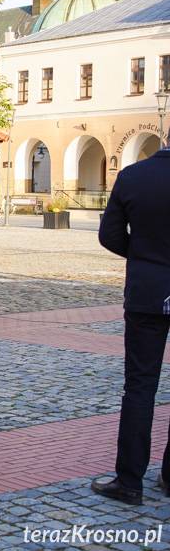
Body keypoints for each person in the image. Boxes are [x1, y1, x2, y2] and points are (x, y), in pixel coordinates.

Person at [91, 145, 170, 506]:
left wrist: (142, 257)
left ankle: (130, 481)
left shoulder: (133, 175)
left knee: (139, 387)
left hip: (146, 291)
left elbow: (109, 235)